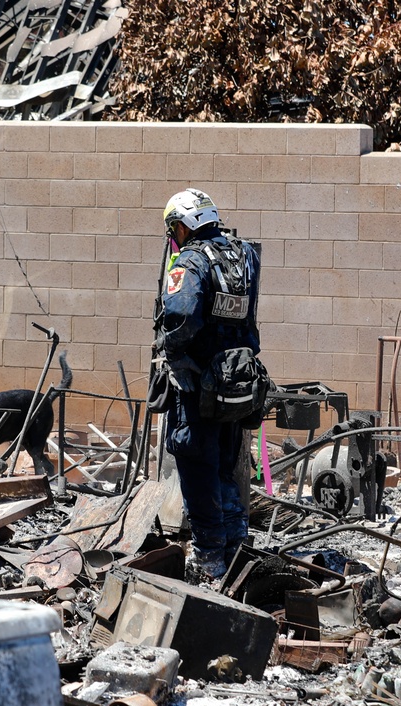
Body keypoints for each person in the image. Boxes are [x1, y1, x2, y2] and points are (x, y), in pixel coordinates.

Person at [154, 189, 263, 579]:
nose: (174, 235)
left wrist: (170, 351)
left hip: (198, 387)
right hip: (236, 384)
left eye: (174, 227)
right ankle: (236, 549)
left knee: (198, 469)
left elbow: (181, 315)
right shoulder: (244, 254)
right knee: (225, 468)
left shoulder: (191, 260)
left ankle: (210, 561)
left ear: (185, 224)